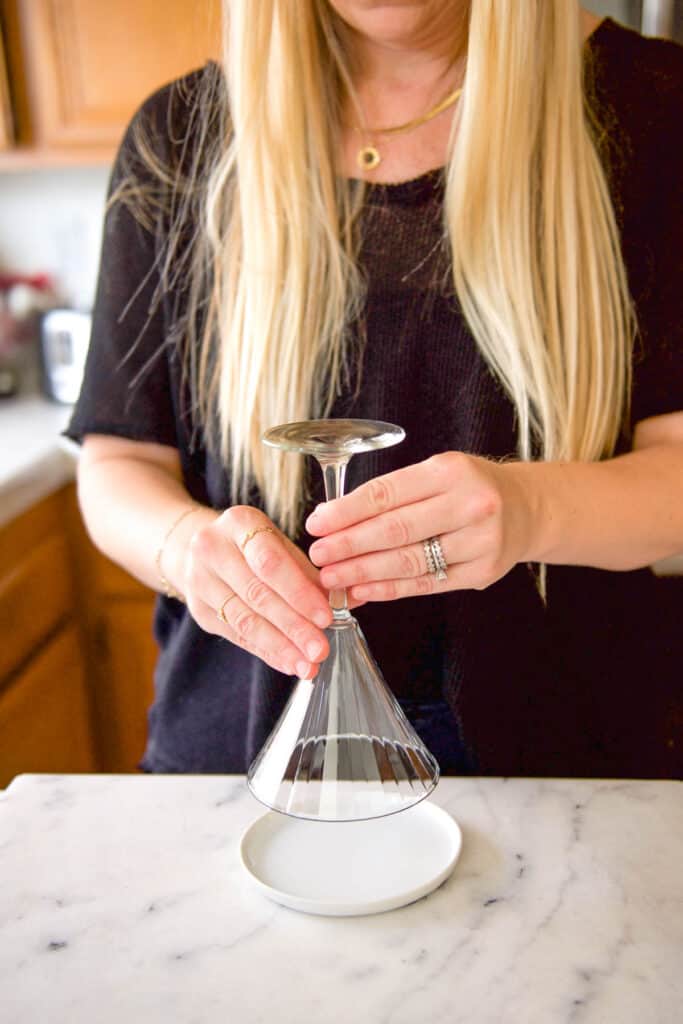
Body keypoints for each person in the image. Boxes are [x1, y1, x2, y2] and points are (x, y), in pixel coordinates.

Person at [67, 1, 683, 779]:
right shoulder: (179, 135)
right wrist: (185, 549)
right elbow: (118, 460)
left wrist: (532, 511)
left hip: (568, 765)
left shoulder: (656, 109)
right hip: (235, 769)